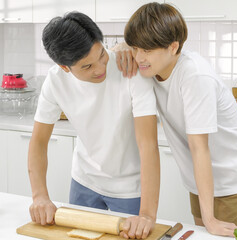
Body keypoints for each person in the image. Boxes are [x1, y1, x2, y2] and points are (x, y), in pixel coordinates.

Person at [119, 2, 237, 237]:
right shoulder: (152, 67)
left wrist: (210, 219)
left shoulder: (195, 76)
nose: (139, 57)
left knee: (214, 231)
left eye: (147, 50)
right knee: (204, 234)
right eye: (135, 48)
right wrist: (122, 47)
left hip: (230, 179)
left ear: (173, 47)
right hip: (200, 179)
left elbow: (199, 147)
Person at [28, 11, 160, 239]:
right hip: (84, 181)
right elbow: (39, 141)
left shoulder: (130, 70)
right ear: (64, 67)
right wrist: (39, 196)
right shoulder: (55, 81)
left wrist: (147, 214)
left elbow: (148, 144)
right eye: (87, 67)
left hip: (130, 187)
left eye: (101, 55)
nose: (100, 68)